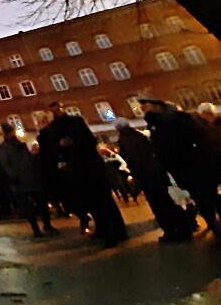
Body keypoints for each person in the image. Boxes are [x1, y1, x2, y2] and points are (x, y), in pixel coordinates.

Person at [45, 102, 127, 247]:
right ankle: (107, 229)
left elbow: (90, 141)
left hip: (87, 167)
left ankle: (113, 231)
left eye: (57, 108)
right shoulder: (56, 128)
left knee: (102, 200)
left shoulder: (73, 123)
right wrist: (61, 147)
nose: (56, 111)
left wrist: (71, 145)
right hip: (82, 168)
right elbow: (54, 149)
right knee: (95, 201)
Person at [142, 98, 219, 234]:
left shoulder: (172, 122)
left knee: (204, 196)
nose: (143, 110)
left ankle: (213, 223)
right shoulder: (160, 124)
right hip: (190, 168)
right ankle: (212, 222)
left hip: (192, 167)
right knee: (207, 196)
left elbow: (201, 141)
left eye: (146, 107)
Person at [115, 118, 192, 243]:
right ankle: (183, 227)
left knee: (159, 205)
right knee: (168, 201)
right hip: (158, 173)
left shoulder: (125, 141)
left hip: (147, 177)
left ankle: (171, 231)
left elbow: (136, 159)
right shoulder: (138, 135)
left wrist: (136, 175)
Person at [0, 123, 57, 237]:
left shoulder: (21, 144)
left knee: (41, 203)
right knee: (27, 206)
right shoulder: (4, 147)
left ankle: (47, 225)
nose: (12, 134)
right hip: (19, 180)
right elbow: (5, 164)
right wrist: (13, 176)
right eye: (11, 132)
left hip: (31, 177)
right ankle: (36, 228)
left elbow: (28, 159)